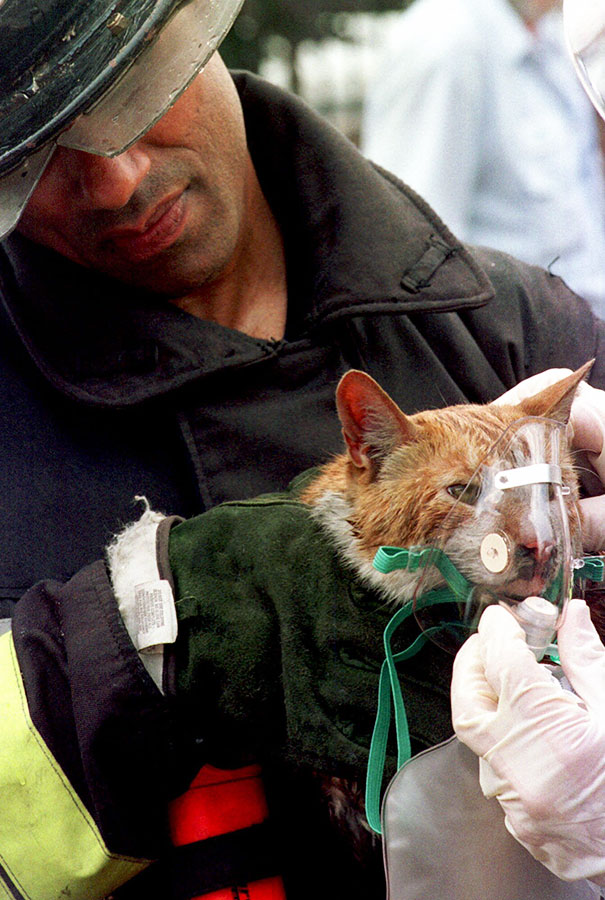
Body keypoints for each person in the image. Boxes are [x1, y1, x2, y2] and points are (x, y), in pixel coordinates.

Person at [1, 0, 605, 898]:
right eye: (35, 148)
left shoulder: (509, 329)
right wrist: (139, 639)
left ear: (200, 32)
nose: (117, 177)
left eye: (128, 91)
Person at [360, 0, 605, 318]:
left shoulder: (551, 32)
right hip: (520, 355)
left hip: (582, 335)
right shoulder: (443, 41)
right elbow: (410, 258)